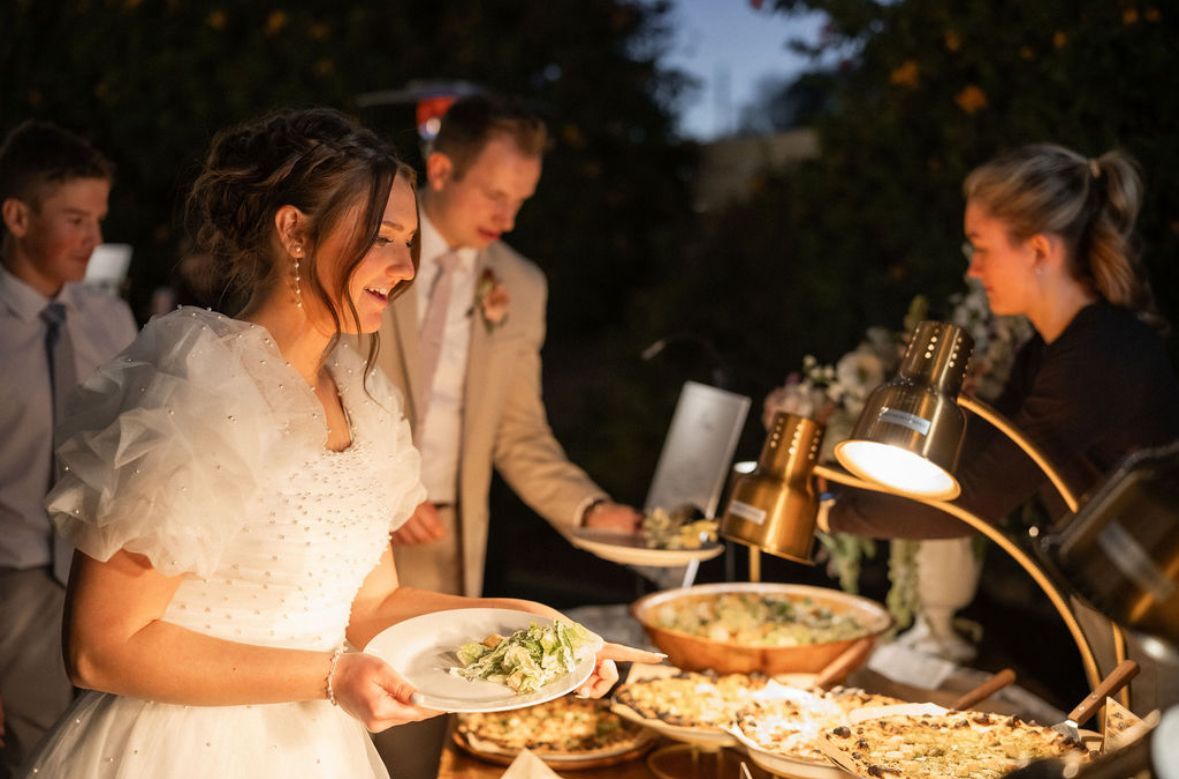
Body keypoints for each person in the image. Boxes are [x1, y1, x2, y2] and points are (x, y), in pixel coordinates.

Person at [17, 107, 658, 779]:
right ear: (294, 231)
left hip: (317, 750)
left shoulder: (365, 401)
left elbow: (374, 604)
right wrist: (331, 674)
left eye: (409, 241)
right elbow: (99, 647)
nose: (405, 266)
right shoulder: (197, 392)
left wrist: (530, 621)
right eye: (383, 237)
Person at [825, 143, 1179, 712]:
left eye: (982, 248)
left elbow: (974, 500)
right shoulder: (1047, 351)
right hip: (1111, 600)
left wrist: (824, 510)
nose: (973, 269)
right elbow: (981, 463)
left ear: (1038, 249)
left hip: (1158, 613)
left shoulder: (1101, 353)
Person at [368, 93, 645, 779]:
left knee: (415, 738)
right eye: (494, 194)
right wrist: (386, 488)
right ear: (438, 170)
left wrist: (588, 509)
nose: (508, 217)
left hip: (448, 540)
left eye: (520, 199)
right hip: (343, 530)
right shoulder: (367, 254)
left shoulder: (518, 284)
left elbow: (519, 432)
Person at [0, 120, 137, 774]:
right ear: (17, 216)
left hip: (103, 568)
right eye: (76, 220)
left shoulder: (109, 318)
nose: (94, 240)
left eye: (98, 220)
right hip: (17, 580)